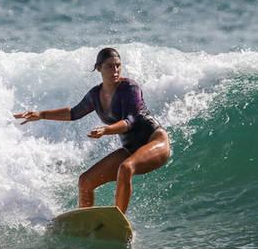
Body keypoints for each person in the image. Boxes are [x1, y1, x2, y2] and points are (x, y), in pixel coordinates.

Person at [14, 47, 171, 213]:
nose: (115, 70)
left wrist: (106, 130)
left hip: (155, 140)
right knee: (85, 181)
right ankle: (86, 224)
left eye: (118, 65)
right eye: (110, 66)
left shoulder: (130, 87)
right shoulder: (95, 95)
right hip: (131, 149)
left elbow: (130, 121)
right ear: (99, 68)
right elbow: (73, 113)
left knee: (126, 168)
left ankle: (117, 221)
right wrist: (41, 114)